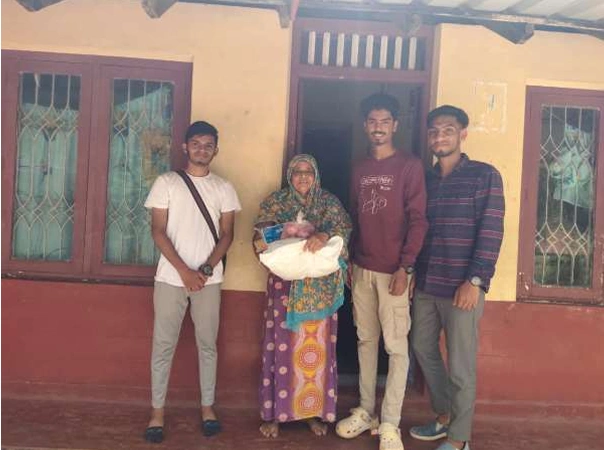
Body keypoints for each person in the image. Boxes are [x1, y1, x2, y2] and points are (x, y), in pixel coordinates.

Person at [336, 93, 428, 450]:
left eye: (385, 121)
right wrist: (349, 259)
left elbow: (418, 220)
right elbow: (353, 215)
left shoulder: (409, 166)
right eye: (373, 121)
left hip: (394, 272)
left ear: (395, 125)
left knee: (396, 347)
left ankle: (390, 422)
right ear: (365, 125)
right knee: (365, 341)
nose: (378, 127)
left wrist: (407, 266)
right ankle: (366, 410)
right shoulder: (358, 168)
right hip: (361, 268)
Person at [409, 105, 505, 450]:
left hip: (463, 285)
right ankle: (445, 414)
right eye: (434, 131)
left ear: (462, 134)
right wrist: (411, 270)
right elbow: (419, 229)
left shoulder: (484, 175)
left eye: (448, 130)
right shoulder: (425, 180)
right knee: (421, 347)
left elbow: (491, 230)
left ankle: (460, 438)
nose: (440, 137)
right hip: (427, 282)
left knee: (461, 365)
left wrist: (475, 280)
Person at [143, 121, 241, 443]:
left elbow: (227, 234)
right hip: (170, 278)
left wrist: (206, 270)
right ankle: (157, 412)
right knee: (163, 345)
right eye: (196, 143)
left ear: (216, 150)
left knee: (207, 345)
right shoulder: (167, 182)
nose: (202, 149)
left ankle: (207, 408)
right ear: (185, 147)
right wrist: (184, 272)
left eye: (208, 145)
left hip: (209, 281)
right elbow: (158, 231)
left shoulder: (224, 188)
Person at [255, 154, 351, 439]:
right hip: (284, 289)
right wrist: (283, 237)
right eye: (297, 171)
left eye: (308, 171)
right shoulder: (276, 202)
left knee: (315, 351)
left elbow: (344, 230)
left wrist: (323, 235)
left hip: (320, 289)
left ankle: (311, 412)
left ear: (316, 174)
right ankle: (274, 414)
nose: (303, 176)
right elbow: (260, 237)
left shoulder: (329, 202)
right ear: (289, 175)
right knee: (280, 347)